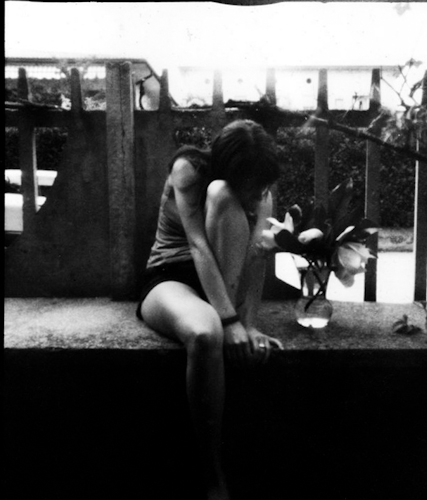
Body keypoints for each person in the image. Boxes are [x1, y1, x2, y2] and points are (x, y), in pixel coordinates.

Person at [137, 119, 284, 500]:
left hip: (224, 283)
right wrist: (229, 321)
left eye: (261, 187)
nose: (257, 195)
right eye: (251, 185)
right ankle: (211, 473)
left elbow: (256, 256)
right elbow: (198, 245)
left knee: (219, 331)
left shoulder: (262, 190)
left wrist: (249, 324)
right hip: (172, 277)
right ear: (231, 168)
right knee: (205, 334)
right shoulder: (189, 170)